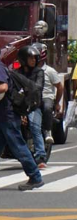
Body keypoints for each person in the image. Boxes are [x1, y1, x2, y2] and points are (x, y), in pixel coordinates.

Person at [0, 60, 44, 190]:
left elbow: (3, 87)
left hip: (7, 115)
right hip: (4, 115)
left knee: (18, 146)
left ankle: (35, 177)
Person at [16, 46, 47, 169]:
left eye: (35, 58)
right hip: (19, 105)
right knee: (9, 126)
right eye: (30, 58)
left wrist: (24, 89)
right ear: (23, 59)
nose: (33, 60)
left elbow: (37, 87)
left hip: (34, 105)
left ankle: (40, 156)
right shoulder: (17, 73)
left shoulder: (39, 72)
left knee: (35, 126)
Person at [32, 43, 64, 146]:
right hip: (32, 97)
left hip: (46, 97)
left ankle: (47, 131)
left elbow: (59, 87)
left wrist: (57, 103)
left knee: (47, 107)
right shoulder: (28, 71)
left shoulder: (50, 71)